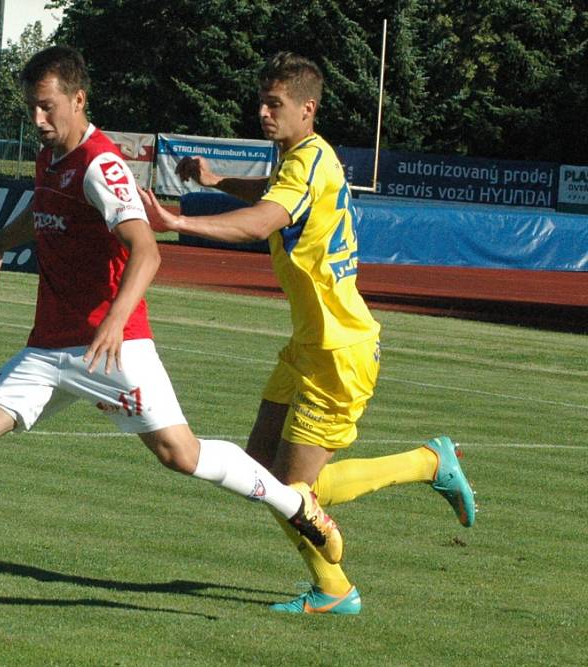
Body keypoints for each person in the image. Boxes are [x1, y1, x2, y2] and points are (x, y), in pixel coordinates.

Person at [0, 46, 344, 594]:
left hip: (112, 349)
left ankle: (295, 504)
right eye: (31, 110)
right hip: (48, 349)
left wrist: (114, 321)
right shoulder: (51, 158)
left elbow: (147, 250)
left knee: (181, 455)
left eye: (46, 108)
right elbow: (42, 212)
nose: (37, 120)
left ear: (78, 99)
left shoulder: (101, 165)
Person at [140, 51, 476, 615]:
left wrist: (178, 221)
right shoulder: (301, 158)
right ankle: (349, 568)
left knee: (296, 497)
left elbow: (265, 221)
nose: (264, 113)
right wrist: (218, 180)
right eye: (263, 102)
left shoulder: (308, 162)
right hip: (308, 345)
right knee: (260, 470)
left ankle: (407, 493)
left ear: (307, 109)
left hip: (338, 352)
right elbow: (274, 196)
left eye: (275, 104)